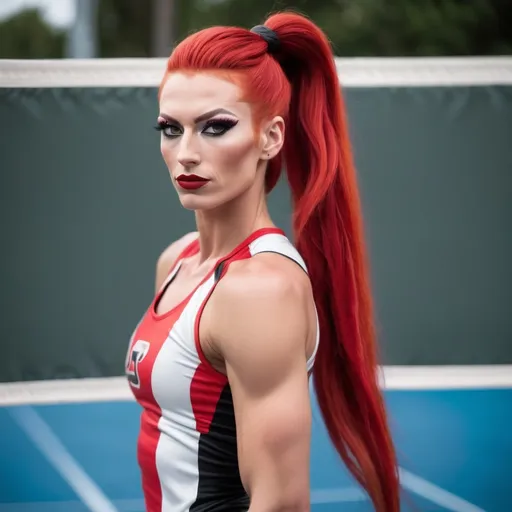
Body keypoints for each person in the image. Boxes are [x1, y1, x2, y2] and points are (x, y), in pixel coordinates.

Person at [125, 10, 400, 512]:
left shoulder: (259, 289)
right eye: (170, 129)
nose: (185, 152)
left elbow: (282, 502)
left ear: (270, 137)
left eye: (215, 127)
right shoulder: (178, 261)